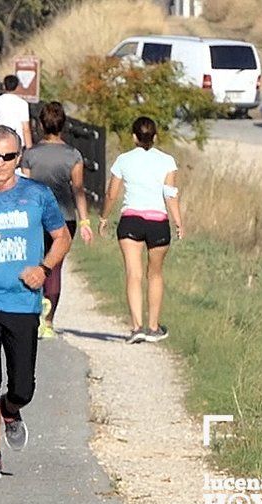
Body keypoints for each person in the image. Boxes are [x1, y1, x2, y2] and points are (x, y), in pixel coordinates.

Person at [0, 125, 72, 480]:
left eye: (8, 156)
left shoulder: (37, 195)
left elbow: (61, 237)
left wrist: (44, 268)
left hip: (23, 301)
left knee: (23, 386)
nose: (0, 163)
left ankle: (11, 411)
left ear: (19, 157)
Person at [98, 116, 183, 344]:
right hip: (158, 222)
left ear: (134, 137)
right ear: (154, 137)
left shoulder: (123, 160)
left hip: (131, 220)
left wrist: (104, 217)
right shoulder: (167, 161)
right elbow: (170, 194)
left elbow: (112, 194)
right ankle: (154, 327)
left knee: (133, 275)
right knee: (154, 274)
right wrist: (178, 221)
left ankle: (137, 327)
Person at [21, 101, 93, 338]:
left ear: (40, 125)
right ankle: (49, 322)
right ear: (63, 125)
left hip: (34, 217)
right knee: (54, 267)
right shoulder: (73, 155)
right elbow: (79, 190)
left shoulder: (30, 155)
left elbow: (24, 188)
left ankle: (32, 314)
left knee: (34, 263)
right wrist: (84, 222)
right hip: (64, 218)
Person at [0, 75, 32, 149]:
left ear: (4, 86)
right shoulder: (22, 104)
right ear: (17, 87)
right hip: (17, 142)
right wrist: (29, 147)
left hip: (0, 141)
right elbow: (25, 128)